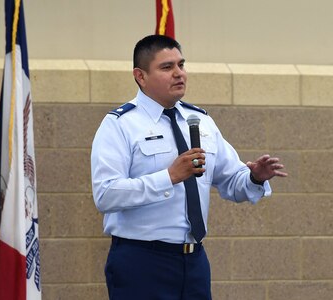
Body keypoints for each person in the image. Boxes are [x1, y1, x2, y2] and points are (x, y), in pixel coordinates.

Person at [91, 34, 287, 300]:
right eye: (166, 67)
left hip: (194, 262)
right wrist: (169, 177)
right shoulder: (120, 124)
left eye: (181, 65)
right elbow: (106, 195)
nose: (179, 73)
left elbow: (232, 182)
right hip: (141, 262)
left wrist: (254, 177)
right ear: (140, 76)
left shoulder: (201, 121)